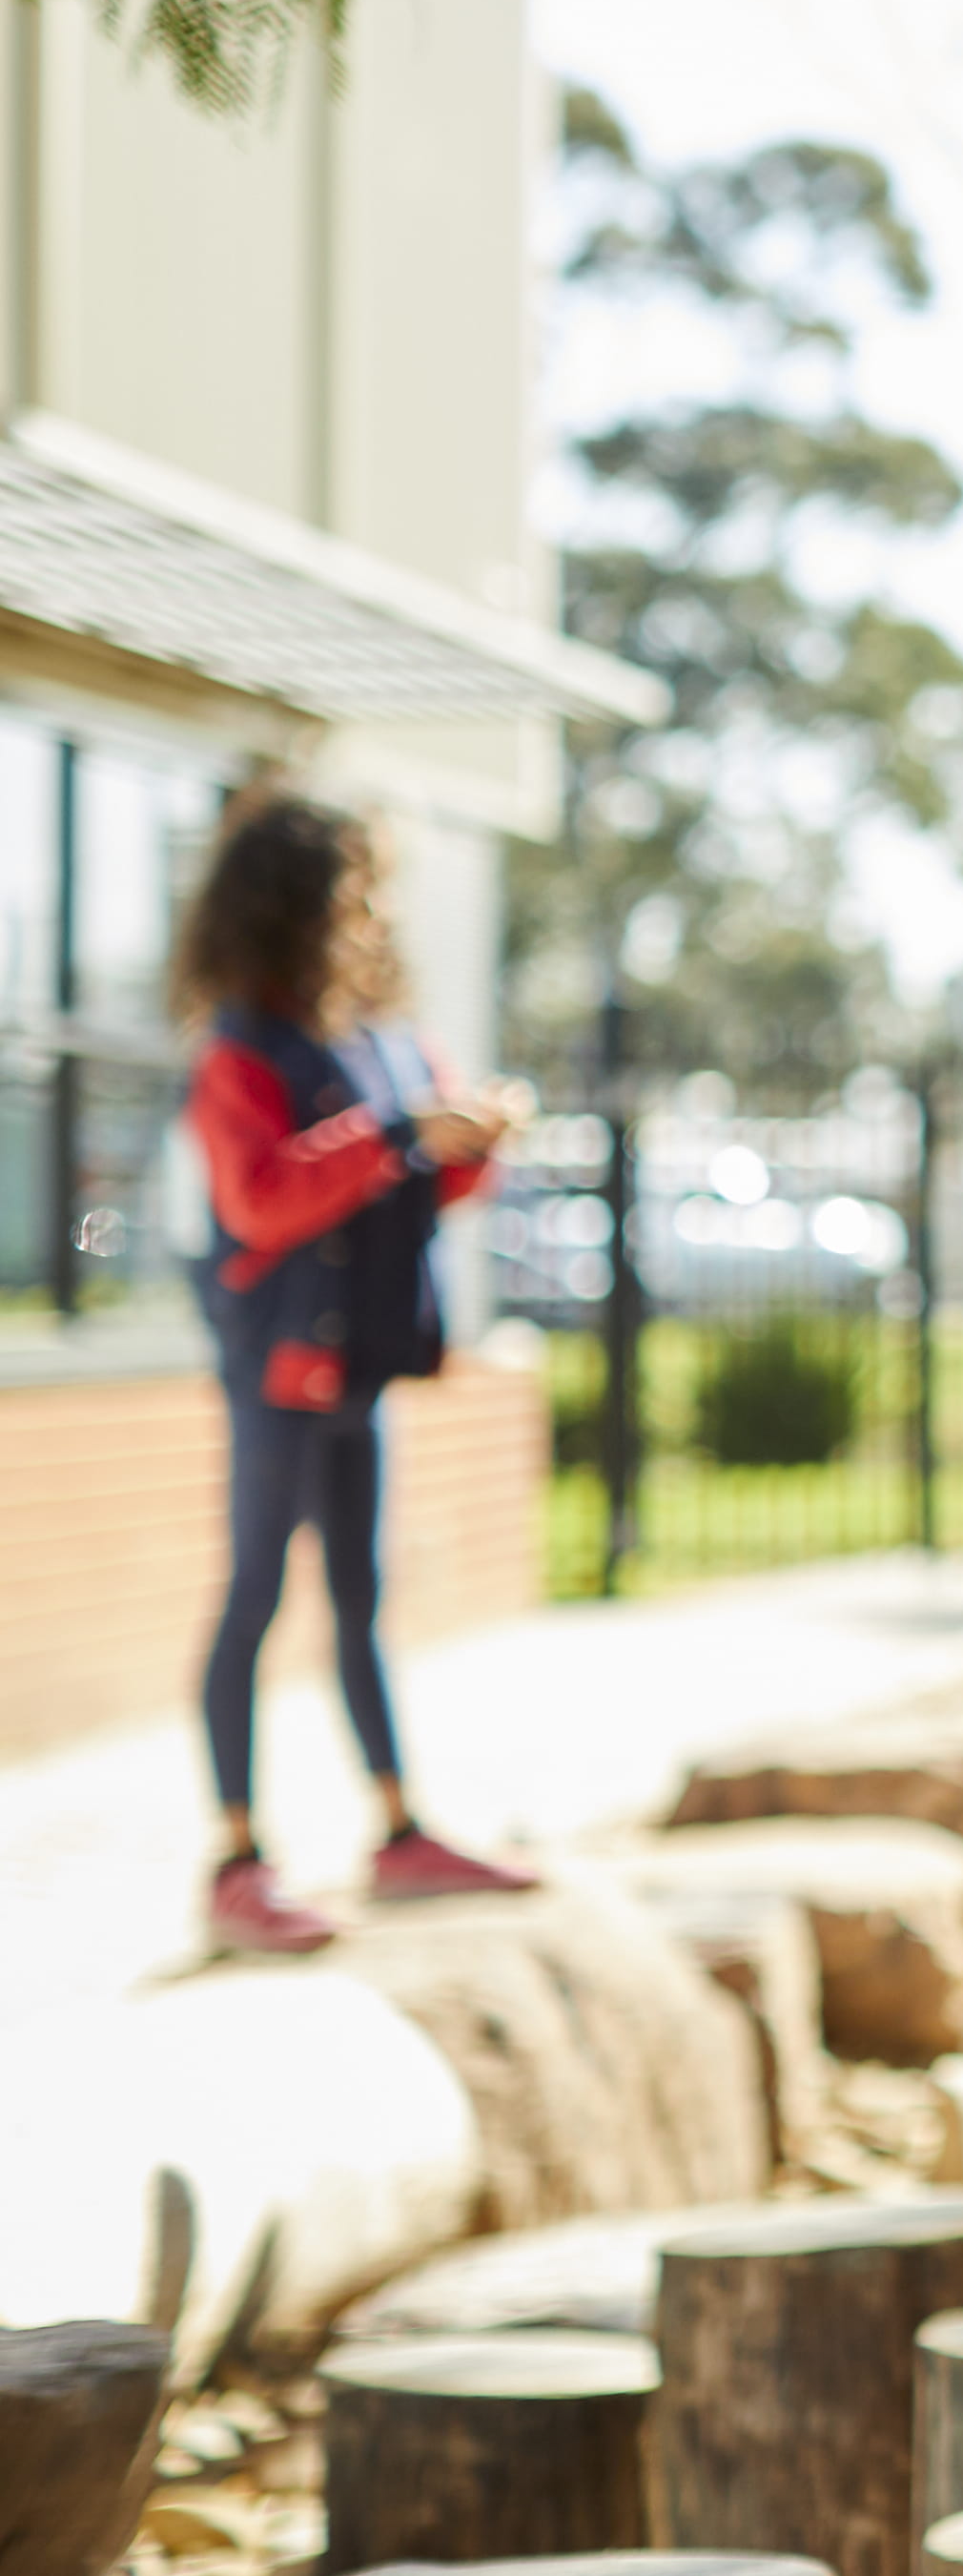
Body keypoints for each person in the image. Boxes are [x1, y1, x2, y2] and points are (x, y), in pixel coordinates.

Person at [178, 791, 541, 1957]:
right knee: (252, 1599)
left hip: (365, 1367)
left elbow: (419, 1189)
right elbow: (260, 1199)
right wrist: (394, 1139)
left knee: (360, 1604)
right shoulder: (239, 1049)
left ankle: (398, 1833)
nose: (371, 915)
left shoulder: (388, 1038)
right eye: (352, 893)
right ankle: (236, 1860)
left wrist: (467, 1145)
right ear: (292, 909)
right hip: (277, 1367)